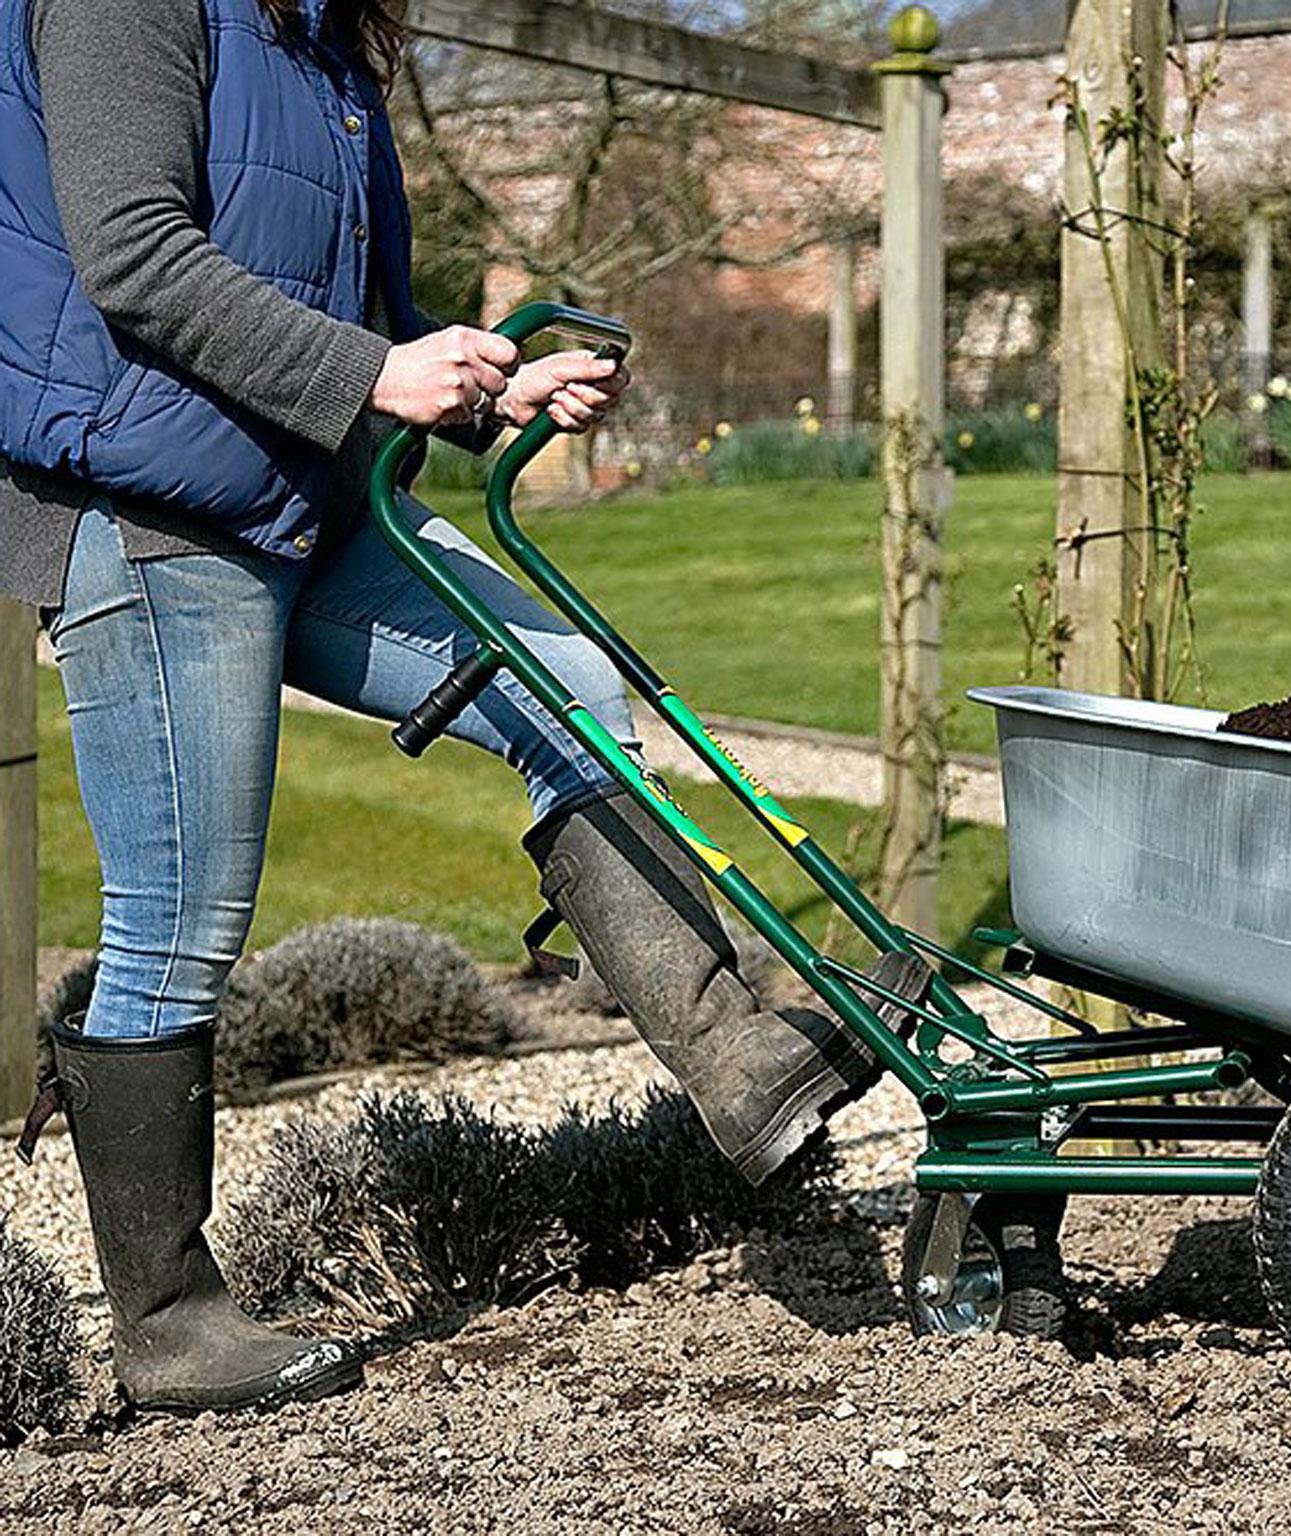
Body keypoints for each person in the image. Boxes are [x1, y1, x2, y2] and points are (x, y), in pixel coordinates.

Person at [0, 0, 875, 1415]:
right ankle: (164, 1321)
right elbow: (134, 260)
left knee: (574, 693)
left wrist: (487, 387)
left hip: (317, 496)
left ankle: (737, 1056)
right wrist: (377, 375)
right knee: (180, 916)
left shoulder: (317, 36)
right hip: (155, 506)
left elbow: (355, 306)